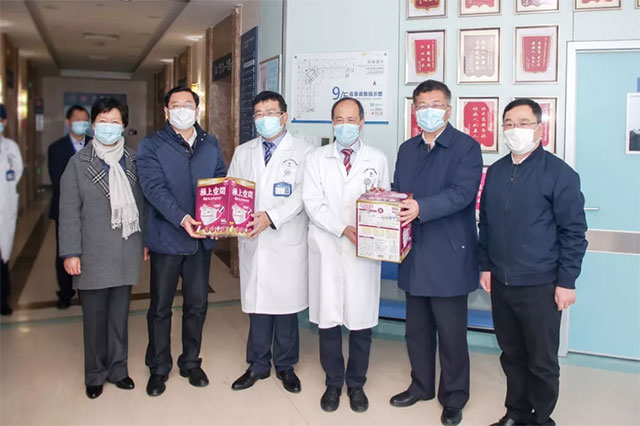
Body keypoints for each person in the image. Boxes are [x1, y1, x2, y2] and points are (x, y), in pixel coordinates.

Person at [478, 99, 588, 426]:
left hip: (540, 284)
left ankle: (541, 418)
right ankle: (516, 412)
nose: (516, 130)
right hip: (502, 282)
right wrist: (486, 265)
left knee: (541, 360)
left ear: (540, 129)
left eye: (524, 123)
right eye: (509, 124)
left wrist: (567, 281)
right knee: (512, 354)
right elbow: (486, 223)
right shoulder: (496, 172)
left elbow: (574, 232)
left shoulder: (559, 174)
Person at [390, 80, 483, 426]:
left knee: (451, 334)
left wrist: (420, 207)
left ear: (448, 109)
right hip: (414, 252)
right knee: (416, 330)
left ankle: (454, 397)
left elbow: (462, 193)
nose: (428, 111)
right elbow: (400, 191)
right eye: (422, 105)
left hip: (449, 254)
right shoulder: (407, 149)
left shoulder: (466, 147)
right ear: (415, 110)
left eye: (436, 104)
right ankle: (421, 386)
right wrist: (385, 200)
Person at [137, 86, 227, 397]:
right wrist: (182, 218)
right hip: (167, 238)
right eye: (175, 105)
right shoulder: (151, 145)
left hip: (200, 242)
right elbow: (153, 188)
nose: (182, 109)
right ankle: (158, 367)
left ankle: (190, 361)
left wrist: (218, 219)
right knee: (160, 307)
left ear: (197, 110)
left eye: (187, 104)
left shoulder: (210, 143)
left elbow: (219, 182)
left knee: (197, 305)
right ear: (166, 111)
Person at [303, 97, 390, 413]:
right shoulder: (316, 158)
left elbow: (385, 201)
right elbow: (313, 203)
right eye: (339, 120)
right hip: (327, 244)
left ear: (362, 123)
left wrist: (380, 199)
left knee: (360, 320)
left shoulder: (377, 158)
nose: (345, 125)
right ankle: (332, 383)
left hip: (363, 250)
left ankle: (356, 384)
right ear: (332, 123)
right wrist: (342, 228)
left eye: (351, 120)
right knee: (328, 320)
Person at [227, 91, 313, 393]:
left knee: (286, 309)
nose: (265, 119)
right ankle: (258, 364)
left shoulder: (304, 151)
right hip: (254, 239)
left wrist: (272, 217)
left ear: (284, 116)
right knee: (259, 306)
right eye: (259, 114)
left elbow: (303, 194)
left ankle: (286, 366)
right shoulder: (244, 151)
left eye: (271, 113)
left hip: (285, 237)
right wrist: (232, 219)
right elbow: (232, 189)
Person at [58, 97, 145, 399]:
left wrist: (145, 242)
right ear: (93, 126)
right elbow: (69, 211)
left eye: (114, 122)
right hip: (92, 253)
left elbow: (142, 205)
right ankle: (95, 373)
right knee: (94, 319)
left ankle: (118, 370)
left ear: (124, 126)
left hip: (125, 249)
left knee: (119, 317)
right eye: (102, 122)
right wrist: (71, 252)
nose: (108, 127)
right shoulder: (78, 163)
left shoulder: (133, 160)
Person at [48, 104, 91, 309]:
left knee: (90, 252)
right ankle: (65, 293)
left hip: (92, 212)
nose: (81, 123)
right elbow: (58, 180)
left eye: (85, 120)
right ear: (68, 122)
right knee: (66, 251)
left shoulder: (95, 145)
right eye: (77, 119)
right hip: (65, 211)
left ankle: (87, 292)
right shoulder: (56, 149)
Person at [0, 103, 24, 316]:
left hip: (4, 209)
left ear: (5, 122)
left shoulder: (11, 148)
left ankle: (3, 301)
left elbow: (15, 173)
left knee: (2, 259)